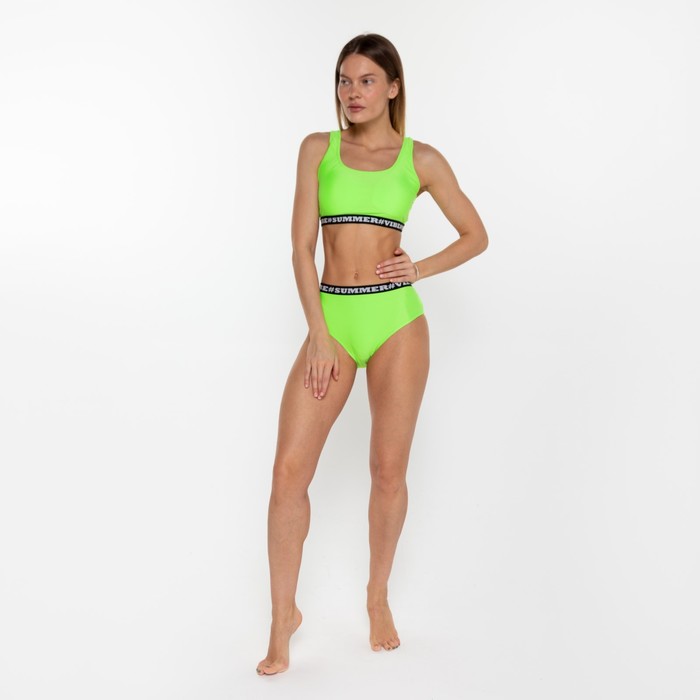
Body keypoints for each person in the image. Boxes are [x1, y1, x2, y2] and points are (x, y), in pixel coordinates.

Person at [256, 32, 488, 676]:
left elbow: (476, 235)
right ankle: (282, 618)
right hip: (332, 318)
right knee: (287, 475)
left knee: (387, 471)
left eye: (365, 81)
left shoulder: (419, 159)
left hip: (395, 324)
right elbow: (301, 248)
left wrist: (419, 269)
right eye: (344, 80)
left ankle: (377, 596)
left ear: (392, 88)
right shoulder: (318, 149)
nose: (351, 93)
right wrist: (318, 333)